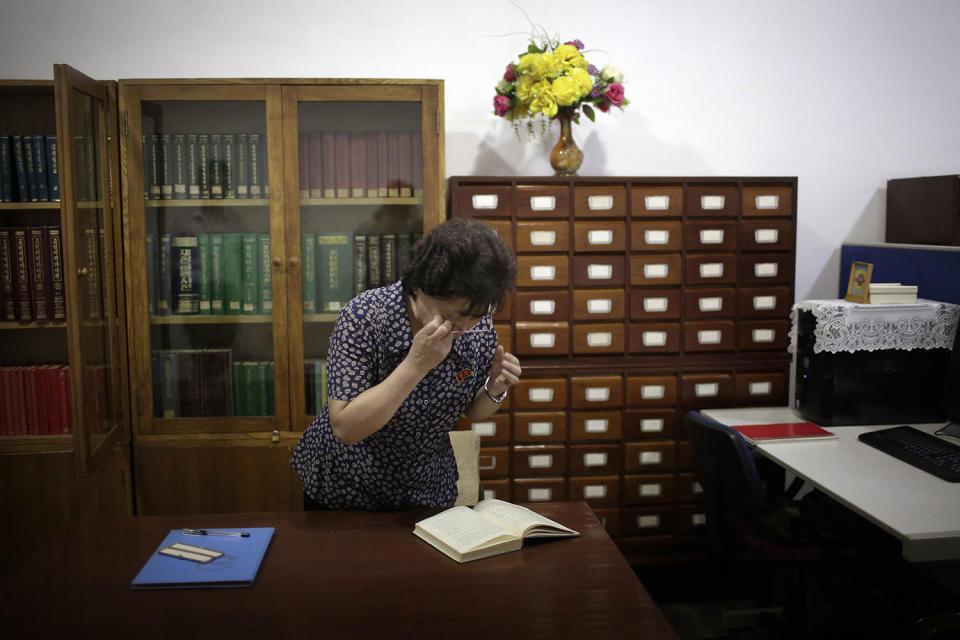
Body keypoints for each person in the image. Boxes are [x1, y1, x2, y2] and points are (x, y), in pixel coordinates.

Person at [290, 218, 520, 510]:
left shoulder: (477, 323)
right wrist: (415, 365)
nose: (466, 326)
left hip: (427, 486)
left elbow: (473, 410)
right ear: (419, 287)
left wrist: (493, 388)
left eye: (478, 314)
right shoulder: (365, 317)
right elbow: (346, 427)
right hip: (347, 485)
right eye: (456, 314)